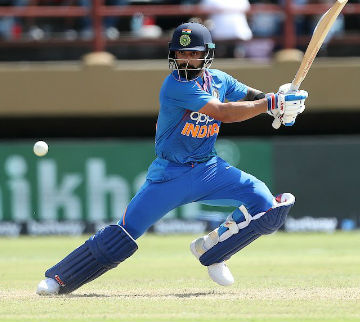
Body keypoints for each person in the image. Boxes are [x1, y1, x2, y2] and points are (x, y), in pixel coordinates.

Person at [36, 21, 308, 295]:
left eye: (193, 54)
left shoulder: (220, 80)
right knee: (126, 232)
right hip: (170, 175)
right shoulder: (175, 86)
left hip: (209, 169)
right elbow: (223, 112)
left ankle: (211, 250)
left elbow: (251, 95)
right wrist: (271, 104)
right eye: (181, 53)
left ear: (207, 54)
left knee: (265, 204)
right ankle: (60, 279)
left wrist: (279, 102)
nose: (186, 59)